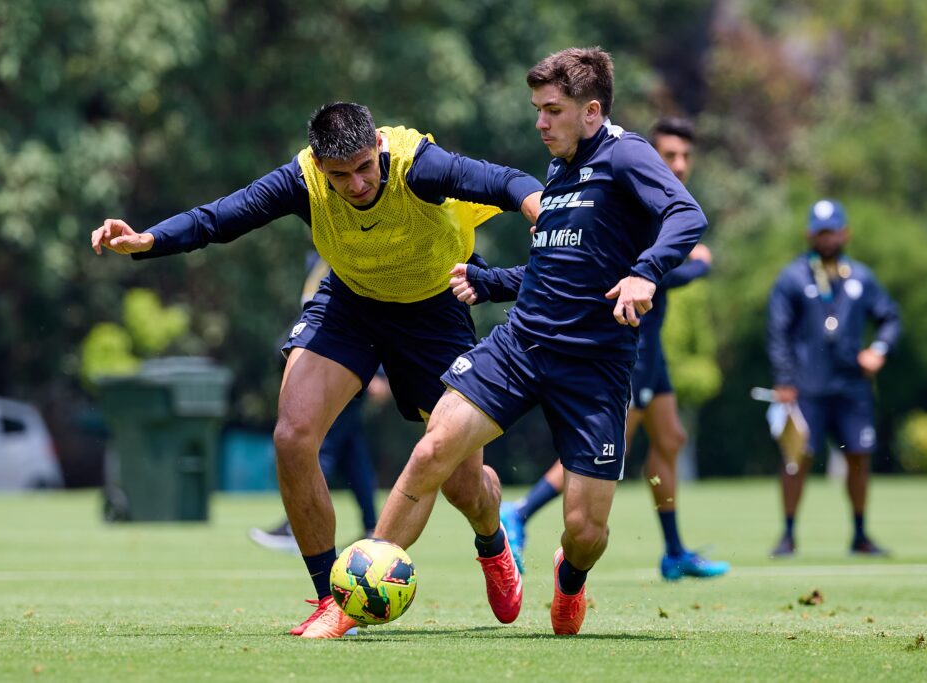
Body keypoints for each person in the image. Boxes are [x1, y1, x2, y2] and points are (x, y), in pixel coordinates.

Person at [91, 102, 543, 638]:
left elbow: (507, 181)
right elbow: (222, 217)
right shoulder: (303, 179)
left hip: (433, 312)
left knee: (464, 487)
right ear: (320, 165)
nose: (355, 185)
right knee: (292, 435)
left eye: (363, 168)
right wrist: (149, 239)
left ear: (378, 146)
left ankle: (493, 542)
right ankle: (332, 599)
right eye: (340, 175)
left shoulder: (419, 165)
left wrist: (541, 209)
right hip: (350, 304)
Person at [371, 47, 708, 635]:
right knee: (433, 448)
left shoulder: (627, 155)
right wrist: (493, 281)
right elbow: (559, 267)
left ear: (591, 111)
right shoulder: (560, 167)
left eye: (552, 110)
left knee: (585, 532)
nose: (540, 123)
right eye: (537, 110)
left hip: (594, 367)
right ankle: (354, 594)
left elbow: (686, 215)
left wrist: (646, 272)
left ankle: (569, 578)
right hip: (522, 344)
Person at [452, 118, 729, 581]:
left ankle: (674, 549)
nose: (679, 165)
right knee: (603, 449)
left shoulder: (663, 199)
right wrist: (695, 268)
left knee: (670, 440)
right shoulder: (625, 185)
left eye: (685, 156)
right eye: (669, 155)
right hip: (617, 344)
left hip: (652, 346)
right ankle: (522, 510)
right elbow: (631, 272)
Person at [766, 199, 900, 558]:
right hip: (806, 387)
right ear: (809, 234)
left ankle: (860, 534)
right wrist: (784, 379)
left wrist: (879, 350)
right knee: (796, 459)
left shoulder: (861, 277)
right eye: (820, 232)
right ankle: (788, 535)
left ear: (845, 233)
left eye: (832, 231)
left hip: (852, 386)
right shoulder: (792, 277)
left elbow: (890, 317)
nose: (827, 238)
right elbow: (777, 332)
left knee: (859, 456)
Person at [248, 255, 390, 554]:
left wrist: (379, 372)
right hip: (325, 359)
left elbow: (374, 307)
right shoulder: (317, 257)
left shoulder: (357, 249)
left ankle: (297, 525)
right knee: (352, 451)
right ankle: (373, 528)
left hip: (343, 364)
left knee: (316, 447)